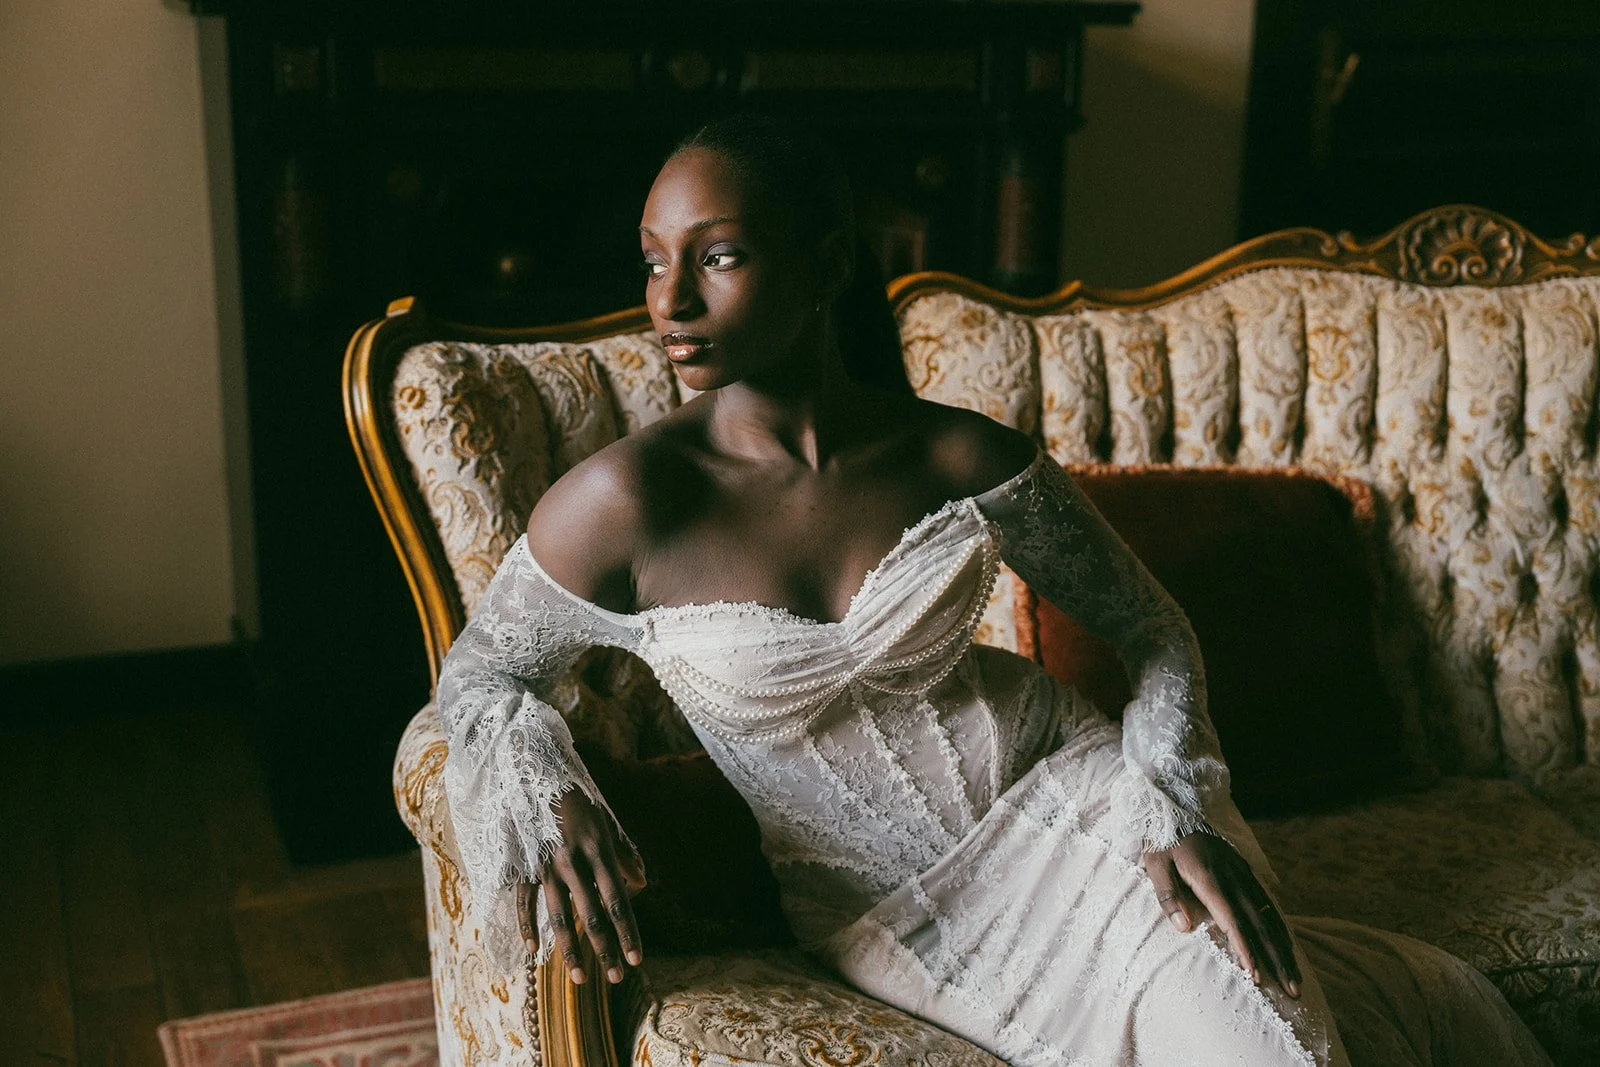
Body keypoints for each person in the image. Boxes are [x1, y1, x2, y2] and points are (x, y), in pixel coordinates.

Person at [435, 114, 1548, 1066]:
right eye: (651, 258)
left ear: (826, 264)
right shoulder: (625, 500)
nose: (669, 298)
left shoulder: (963, 457)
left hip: (1088, 801)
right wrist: (539, 773)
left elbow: (1149, 628)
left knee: (1259, 1038)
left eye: (717, 256)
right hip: (888, 913)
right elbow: (480, 678)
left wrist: (1170, 793)